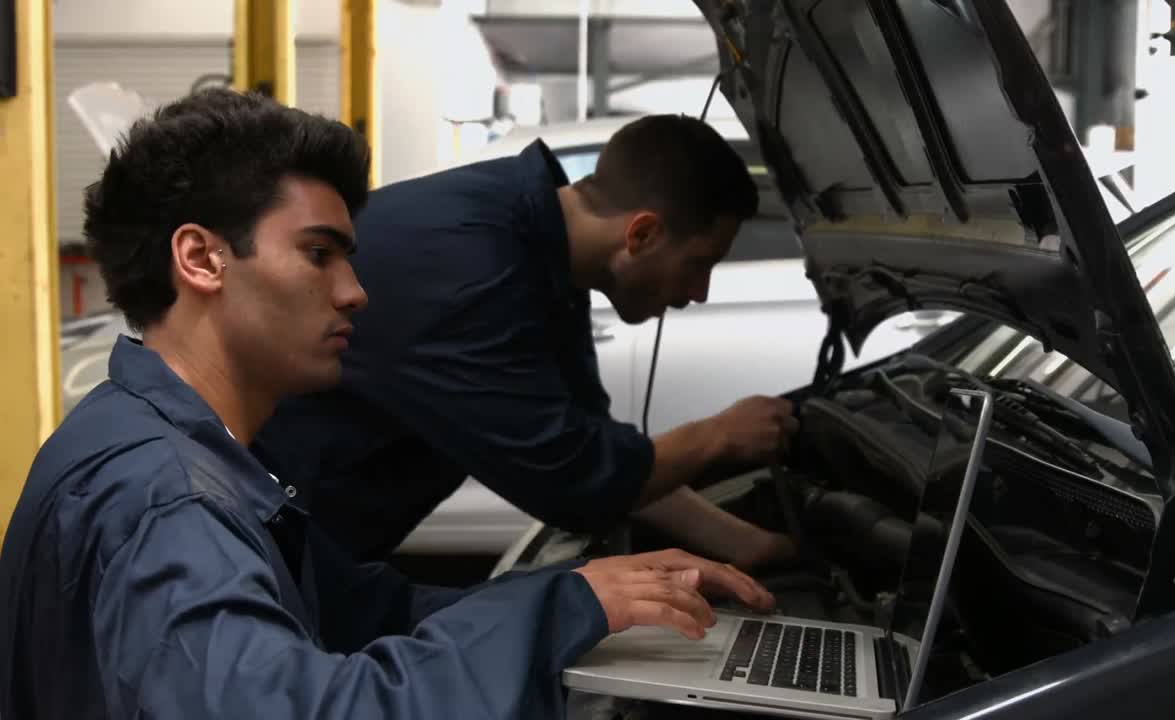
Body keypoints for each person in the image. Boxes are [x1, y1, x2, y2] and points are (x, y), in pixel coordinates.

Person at [0, 88, 776, 720]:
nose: (356, 292)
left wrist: (587, 600)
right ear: (202, 258)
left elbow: (373, 608)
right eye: (317, 255)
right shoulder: (168, 503)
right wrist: (563, 611)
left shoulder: (173, 444)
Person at [253, 113, 800, 568]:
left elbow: (599, 449)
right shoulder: (479, 276)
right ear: (642, 234)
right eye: (698, 264)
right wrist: (720, 435)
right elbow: (579, 482)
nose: (698, 292)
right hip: (252, 535)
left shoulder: (537, 245)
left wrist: (749, 547)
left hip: (312, 537)